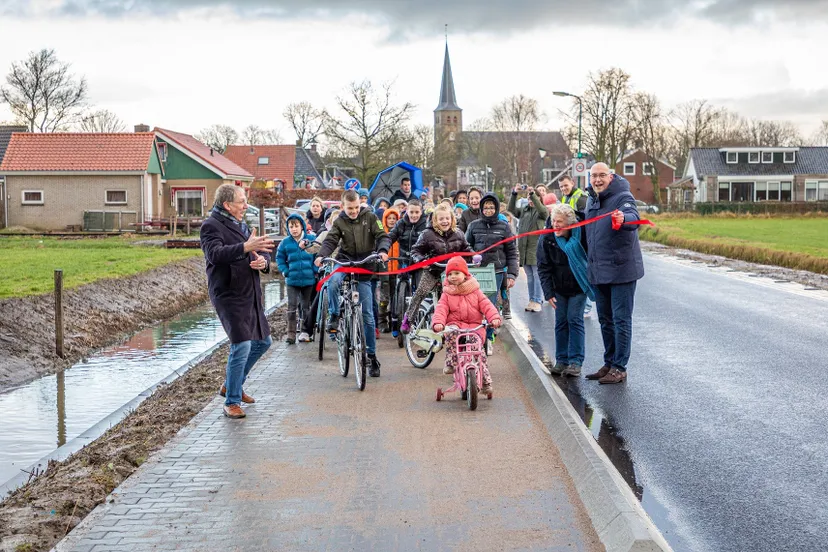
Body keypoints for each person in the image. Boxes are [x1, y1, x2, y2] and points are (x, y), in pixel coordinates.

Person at [200, 184, 275, 419]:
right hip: (228, 293)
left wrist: (263, 261)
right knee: (241, 343)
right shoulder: (210, 226)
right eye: (241, 201)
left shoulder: (240, 223)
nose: (245, 206)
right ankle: (231, 401)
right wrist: (245, 247)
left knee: (263, 342)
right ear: (227, 205)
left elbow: (260, 250)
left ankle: (231, 385)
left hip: (249, 290)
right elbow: (215, 255)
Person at [315, 190, 390, 377]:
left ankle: (371, 356)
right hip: (345, 261)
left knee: (367, 316)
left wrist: (382, 250)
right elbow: (331, 240)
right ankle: (334, 315)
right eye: (350, 208)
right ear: (343, 207)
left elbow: (383, 235)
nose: (354, 211)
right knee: (332, 284)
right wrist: (321, 256)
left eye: (357, 207)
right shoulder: (339, 221)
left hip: (365, 265)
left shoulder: (371, 217)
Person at [583, 163, 645, 385]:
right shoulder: (592, 199)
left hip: (621, 270)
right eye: (593, 176)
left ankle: (620, 367)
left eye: (601, 176)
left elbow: (633, 216)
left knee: (621, 320)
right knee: (606, 320)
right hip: (599, 271)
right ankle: (609, 362)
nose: (597, 180)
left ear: (610, 177)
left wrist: (623, 219)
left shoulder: (622, 196)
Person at [537, 204, 596, 378]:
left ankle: (576, 361)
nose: (555, 225)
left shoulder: (582, 234)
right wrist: (548, 293)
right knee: (561, 321)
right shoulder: (547, 238)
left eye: (560, 222)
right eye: (554, 221)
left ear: (570, 224)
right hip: (558, 287)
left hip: (579, 284)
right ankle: (561, 360)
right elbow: (543, 266)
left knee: (574, 319)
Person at [432, 257, 502, 395]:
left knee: (479, 355)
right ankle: (451, 362)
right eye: (450, 274)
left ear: (465, 274)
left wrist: (493, 318)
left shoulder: (475, 291)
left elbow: (487, 305)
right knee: (452, 335)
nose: (453, 277)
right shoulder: (447, 293)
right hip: (456, 326)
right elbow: (441, 309)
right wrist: (439, 322)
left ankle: (486, 382)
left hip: (475, 327)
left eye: (456, 273)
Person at [401, 202, 473, 334]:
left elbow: (467, 250)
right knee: (421, 292)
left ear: (452, 219)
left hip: (453, 273)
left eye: (447, 218)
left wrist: (473, 257)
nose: (444, 221)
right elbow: (415, 251)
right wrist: (422, 261)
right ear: (435, 220)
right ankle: (408, 320)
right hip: (433, 271)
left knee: (460, 297)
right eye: (441, 219)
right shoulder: (427, 234)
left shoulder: (459, 234)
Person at [465, 193, 519, 353]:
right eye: (486, 207)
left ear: (496, 209)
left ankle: (488, 337)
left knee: (490, 305)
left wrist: (511, 274)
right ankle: (475, 336)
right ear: (481, 208)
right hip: (477, 271)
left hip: (496, 271)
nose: (488, 210)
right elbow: (466, 246)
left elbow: (512, 252)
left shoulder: (504, 227)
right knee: (474, 305)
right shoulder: (473, 226)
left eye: (491, 207)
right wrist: (472, 256)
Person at [387, 199, 427, 336]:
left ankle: (422, 318)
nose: (414, 215)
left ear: (421, 212)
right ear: (407, 211)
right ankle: (396, 320)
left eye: (417, 212)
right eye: (411, 212)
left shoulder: (426, 224)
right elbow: (391, 236)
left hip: (420, 261)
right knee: (398, 288)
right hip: (404, 259)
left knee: (421, 288)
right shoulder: (401, 223)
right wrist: (382, 248)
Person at [276, 213, 318, 344]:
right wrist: (285, 270)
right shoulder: (285, 243)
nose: (294, 229)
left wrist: (315, 270)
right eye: (291, 226)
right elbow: (279, 258)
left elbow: (317, 255)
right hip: (292, 280)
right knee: (292, 306)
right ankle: (291, 334)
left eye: (296, 226)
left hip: (308, 279)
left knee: (306, 306)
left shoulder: (310, 239)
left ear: (302, 226)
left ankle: (306, 332)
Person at [508, 184, 550, 313]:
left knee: (537, 276)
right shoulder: (524, 210)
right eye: (529, 198)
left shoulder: (542, 212)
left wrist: (533, 194)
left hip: (536, 250)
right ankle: (532, 299)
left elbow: (543, 211)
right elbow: (511, 209)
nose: (531, 200)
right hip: (524, 250)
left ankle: (537, 300)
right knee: (530, 277)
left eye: (533, 198)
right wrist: (514, 193)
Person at [378, 207, 401, 333]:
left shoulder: (399, 234)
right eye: (389, 218)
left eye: (394, 218)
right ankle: (382, 321)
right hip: (384, 271)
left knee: (395, 297)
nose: (392, 221)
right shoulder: (382, 234)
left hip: (396, 270)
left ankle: (394, 320)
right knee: (384, 298)